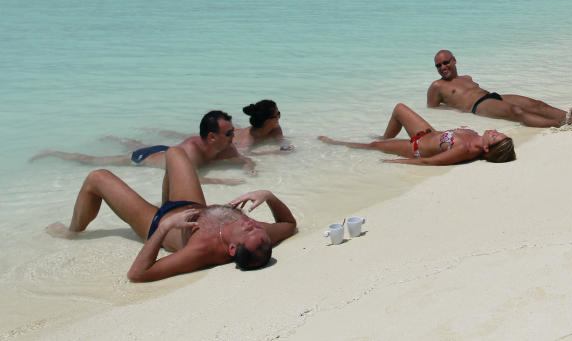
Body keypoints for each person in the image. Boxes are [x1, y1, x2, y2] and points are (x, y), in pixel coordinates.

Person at [45, 144, 296, 282]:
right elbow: (288, 224)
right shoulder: (259, 240)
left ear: (231, 250)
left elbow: (138, 274)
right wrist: (269, 196)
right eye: (258, 229)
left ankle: (72, 231)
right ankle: (163, 195)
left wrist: (165, 227)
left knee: (96, 178)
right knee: (175, 152)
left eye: (250, 231)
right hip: (190, 204)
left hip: (154, 223)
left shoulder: (202, 251)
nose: (254, 225)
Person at [31, 110, 257, 182]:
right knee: (94, 160)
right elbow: (190, 179)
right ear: (212, 137)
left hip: (163, 148)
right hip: (143, 158)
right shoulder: (191, 152)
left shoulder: (226, 147)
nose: (234, 135)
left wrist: (249, 166)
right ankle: (51, 152)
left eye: (233, 131)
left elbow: (243, 159)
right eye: (229, 132)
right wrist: (224, 181)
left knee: (144, 145)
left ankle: (117, 139)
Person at [428, 50, 572, 128]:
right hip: (477, 106)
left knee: (536, 104)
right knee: (516, 111)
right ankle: (561, 124)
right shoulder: (437, 86)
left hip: (492, 96)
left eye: (446, 62)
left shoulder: (466, 78)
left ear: (454, 60)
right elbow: (433, 109)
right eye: (438, 65)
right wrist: (457, 110)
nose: (442, 67)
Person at [318, 103, 515, 165]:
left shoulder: (464, 149)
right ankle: (385, 137)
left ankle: (335, 142)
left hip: (416, 148)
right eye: (499, 133)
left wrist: (395, 162)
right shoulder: (474, 136)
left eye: (496, 136)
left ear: (487, 148)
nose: (495, 131)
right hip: (426, 132)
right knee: (399, 109)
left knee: (373, 147)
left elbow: (429, 162)